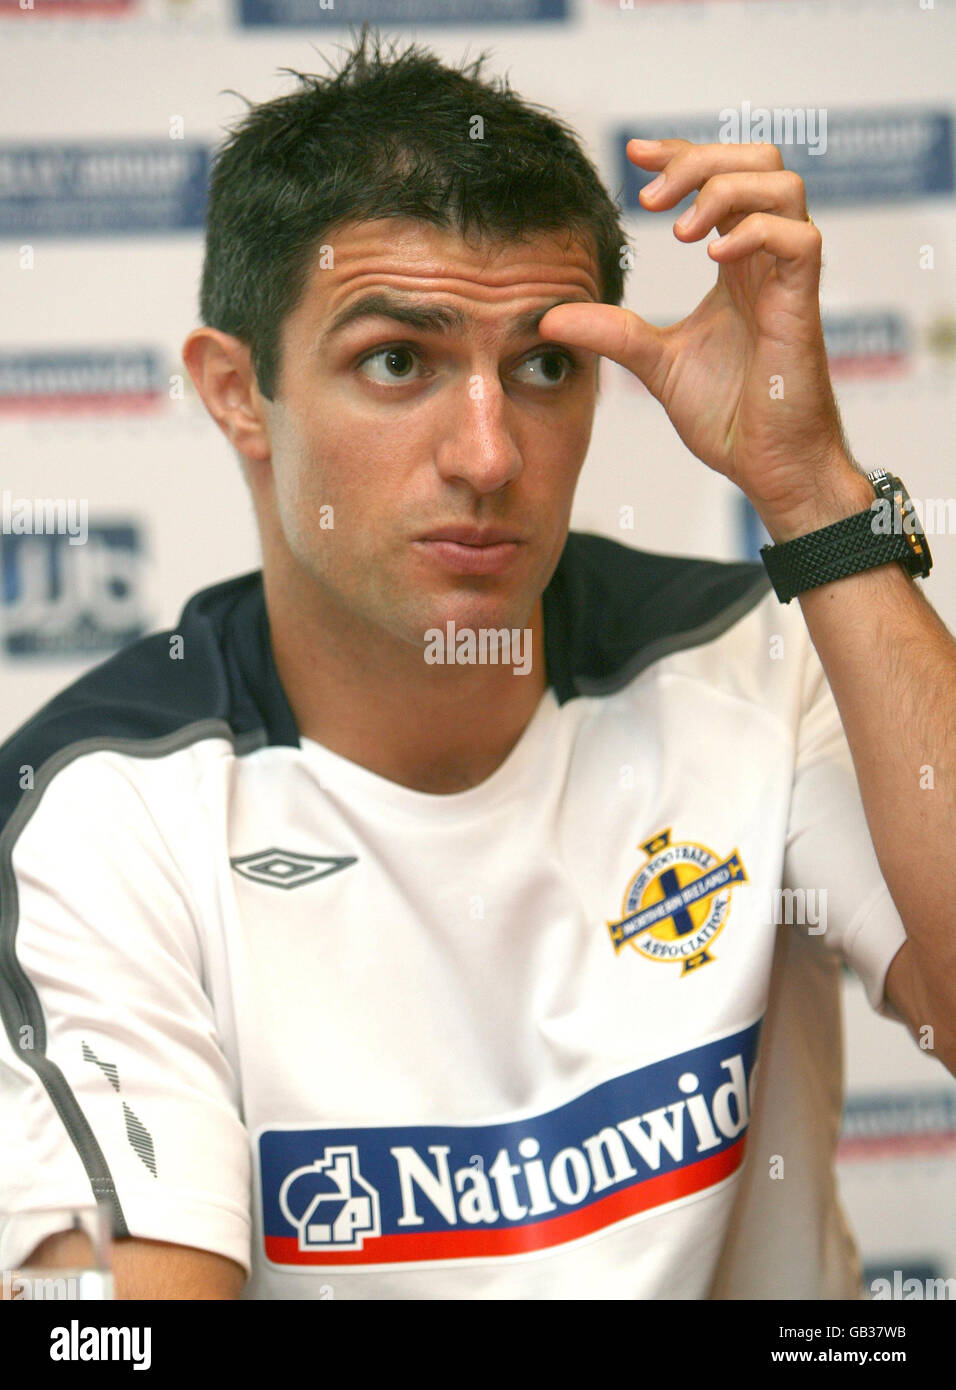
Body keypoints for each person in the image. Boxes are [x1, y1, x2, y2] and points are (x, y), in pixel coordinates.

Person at [1, 28, 953, 1301]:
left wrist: (808, 490)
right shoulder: (96, 811)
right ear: (237, 393)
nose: (489, 455)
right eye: (397, 360)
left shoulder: (754, 660)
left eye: (543, 366)